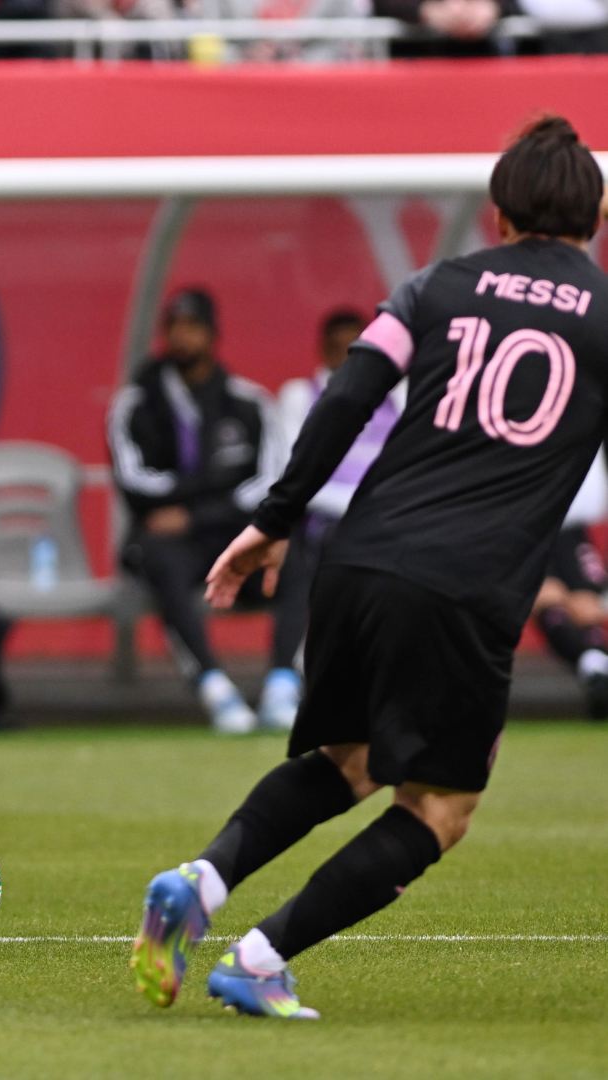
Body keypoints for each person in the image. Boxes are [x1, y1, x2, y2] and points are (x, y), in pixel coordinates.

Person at [131, 116, 607, 1019]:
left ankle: (201, 881)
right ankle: (260, 959)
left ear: (500, 214)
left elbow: (348, 395)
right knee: (441, 807)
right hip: (465, 588)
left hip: (358, 558)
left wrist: (274, 521)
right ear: (599, 215)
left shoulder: (435, 286)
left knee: (347, 759)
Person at [106, 288, 288, 734]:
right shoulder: (136, 403)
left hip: (230, 536)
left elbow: (269, 485)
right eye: (174, 327)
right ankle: (214, 687)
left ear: (212, 333)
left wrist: (194, 509)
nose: (182, 337)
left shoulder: (248, 402)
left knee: (295, 553)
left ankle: (285, 684)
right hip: (172, 544)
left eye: (192, 327)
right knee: (158, 557)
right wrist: (214, 486)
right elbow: (134, 482)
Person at [265, 308, 403, 729]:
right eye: (337, 347)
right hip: (322, 523)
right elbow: (294, 470)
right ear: (323, 350)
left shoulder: (399, 397)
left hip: (385, 522)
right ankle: (285, 683)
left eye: (354, 348)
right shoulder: (300, 395)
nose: (346, 357)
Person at [529, 450, 608, 717]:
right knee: (548, 598)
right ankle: (595, 668)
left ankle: (596, 667)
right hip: (526, 521)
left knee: (587, 605)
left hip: (572, 523)